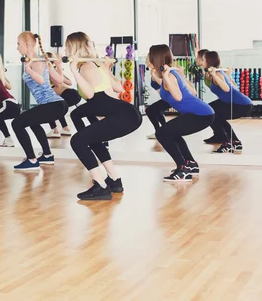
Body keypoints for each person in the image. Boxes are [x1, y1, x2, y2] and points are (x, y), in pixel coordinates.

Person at [64, 32, 142, 200]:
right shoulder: (97, 65)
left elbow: (90, 95)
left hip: (123, 116)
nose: (65, 49)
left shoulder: (86, 67)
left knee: (77, 141)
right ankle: (114, 180)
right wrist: (106, 69)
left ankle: (100, 186)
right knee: (83, 126)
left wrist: (74, 71)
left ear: (74, 48)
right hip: (129, 113)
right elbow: (119, 89)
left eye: (67, 47)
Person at [149, 44, 215, 182]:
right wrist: (159, 77)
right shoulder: (170, 75)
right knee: (172, 132)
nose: (147, 58)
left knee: (162, 133)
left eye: (149, 55)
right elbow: (191, 93)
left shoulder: (170, 76)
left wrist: (166, 77)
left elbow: (178, 97)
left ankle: (182, 168)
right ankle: (190, 164)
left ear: (155, 58)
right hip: (203, 113)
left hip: (201, 114)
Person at [12, 32, 68, 170]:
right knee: (33, 123)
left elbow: (42, 81)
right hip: (58, 104)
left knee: (16, 123)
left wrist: (28, 69)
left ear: (26, 44)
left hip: (53, 105)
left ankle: (31, 160)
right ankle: (47, 155)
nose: (17, 48)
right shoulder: (42, 60)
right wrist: (58, 66)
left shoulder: (36, 62)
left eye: (18, 44)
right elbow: (59, 81)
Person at [202, 51, 252, 153]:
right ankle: (235, 142)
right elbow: (234, 87)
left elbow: (227, 89)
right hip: (241, 103)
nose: (202, 62)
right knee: (210, 110)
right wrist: (228, 75)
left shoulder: (218, 75)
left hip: (241, 105)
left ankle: (227, 143)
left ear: (208, 61)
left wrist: (215, 75)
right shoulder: (219, 73)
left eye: (203, 60)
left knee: (215, 116)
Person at [45, 52, 78, 138]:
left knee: (50, 108)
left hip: (69, 94)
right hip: (74, 94)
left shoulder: (51, 72)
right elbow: (69, 83)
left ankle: (55, 130)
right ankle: (65, 129)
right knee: (58, 109)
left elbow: (59, 84)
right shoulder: (54, 71)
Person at [144, 53, 170, 140]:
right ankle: (162, 131)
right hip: (165, 97)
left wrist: (155, 76)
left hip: (171, 97)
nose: (146, 61)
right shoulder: (154, 71)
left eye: (148, 59)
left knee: (150, 110)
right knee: (155, 110)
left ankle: (160, 132)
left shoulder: (160, 71)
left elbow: (165, 85)